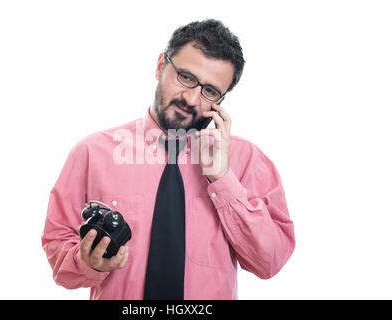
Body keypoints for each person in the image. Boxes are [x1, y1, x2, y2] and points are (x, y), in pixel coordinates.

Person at [41, 19, 295, 300]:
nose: (191, 99)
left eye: (209, 91)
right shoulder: (91, 153)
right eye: (185, 77)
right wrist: (86, 263)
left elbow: (269, 262)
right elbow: (57, 249)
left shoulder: (248, 160)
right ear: (161, 65)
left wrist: (223, 181)